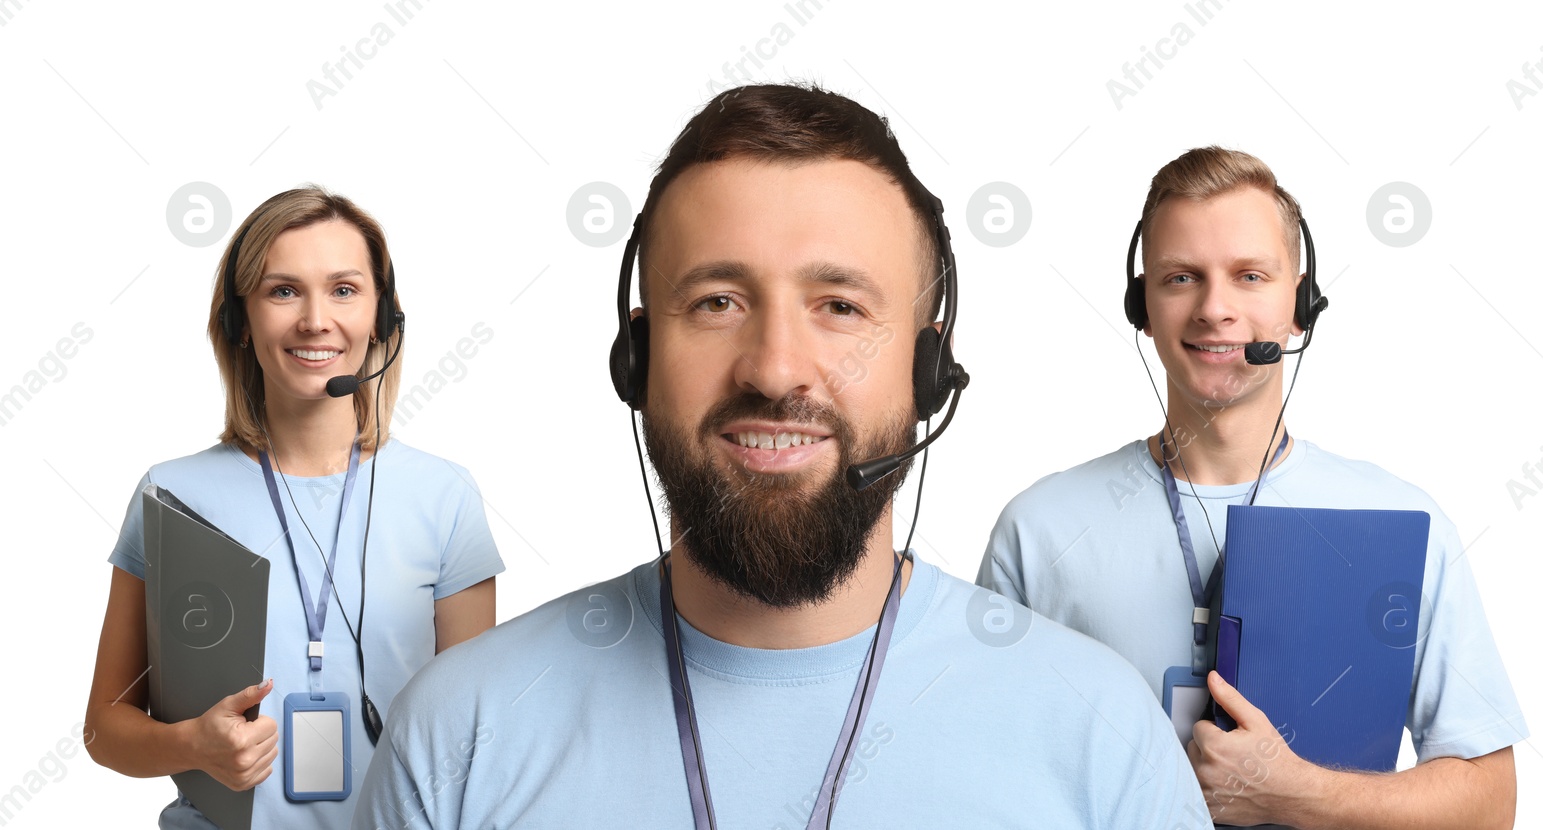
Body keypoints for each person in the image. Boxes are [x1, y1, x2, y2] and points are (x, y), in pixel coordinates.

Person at [353, 84, 1208, 829]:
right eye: (718, 301)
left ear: (928, 370)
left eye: (838, 305)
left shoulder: (1101, 732)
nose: (774, 368)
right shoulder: (456, 734)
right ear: (637, 360)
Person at [979, 147, 1525, 829]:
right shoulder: (1040, 532)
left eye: (1249, 276)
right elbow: (985, 781)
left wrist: (1295, 793)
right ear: (1140, 305)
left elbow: (1489, 804)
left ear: (1300, 304)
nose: (1215, 309)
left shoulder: (1404, 521)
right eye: (1181, 278)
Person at [84, 187, 504, 829]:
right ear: (239, 321)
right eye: (283, 290)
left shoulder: (444, 497)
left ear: (382, 319)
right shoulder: (171, 497)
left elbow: (478, 738)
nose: (315, 320)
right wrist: (193, 745)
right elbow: (104, 730)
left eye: (343, 289)